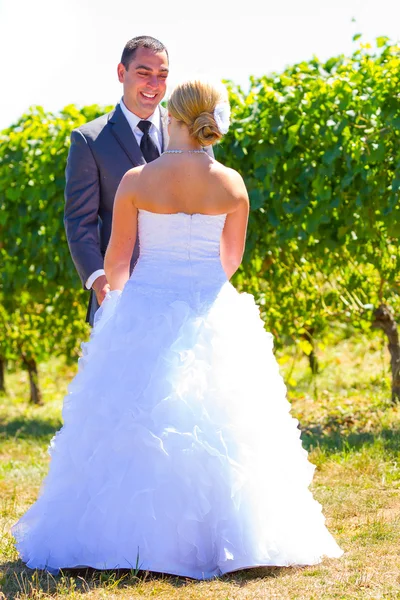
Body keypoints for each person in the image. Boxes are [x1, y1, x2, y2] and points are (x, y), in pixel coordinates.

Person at [12, 79, 343, 579]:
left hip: (146, 304)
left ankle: (136, 543)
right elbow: (230, 260)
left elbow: (117, 260)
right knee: (224, 423)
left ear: (173, 117)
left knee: (137, 421)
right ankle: (231, 541)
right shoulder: (232, 184)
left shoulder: (137, 181)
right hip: (210, 308)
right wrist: (196, 283)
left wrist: (119, 305)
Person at [64, 35, 213, 326]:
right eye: (144, 74)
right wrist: (99, 281)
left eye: (163, 76)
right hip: (120, 296)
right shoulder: (89, 140)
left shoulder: (194, 134)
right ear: (122, 73)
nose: (154, 85)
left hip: (186, 296)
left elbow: (210, 205)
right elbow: (79, 221)